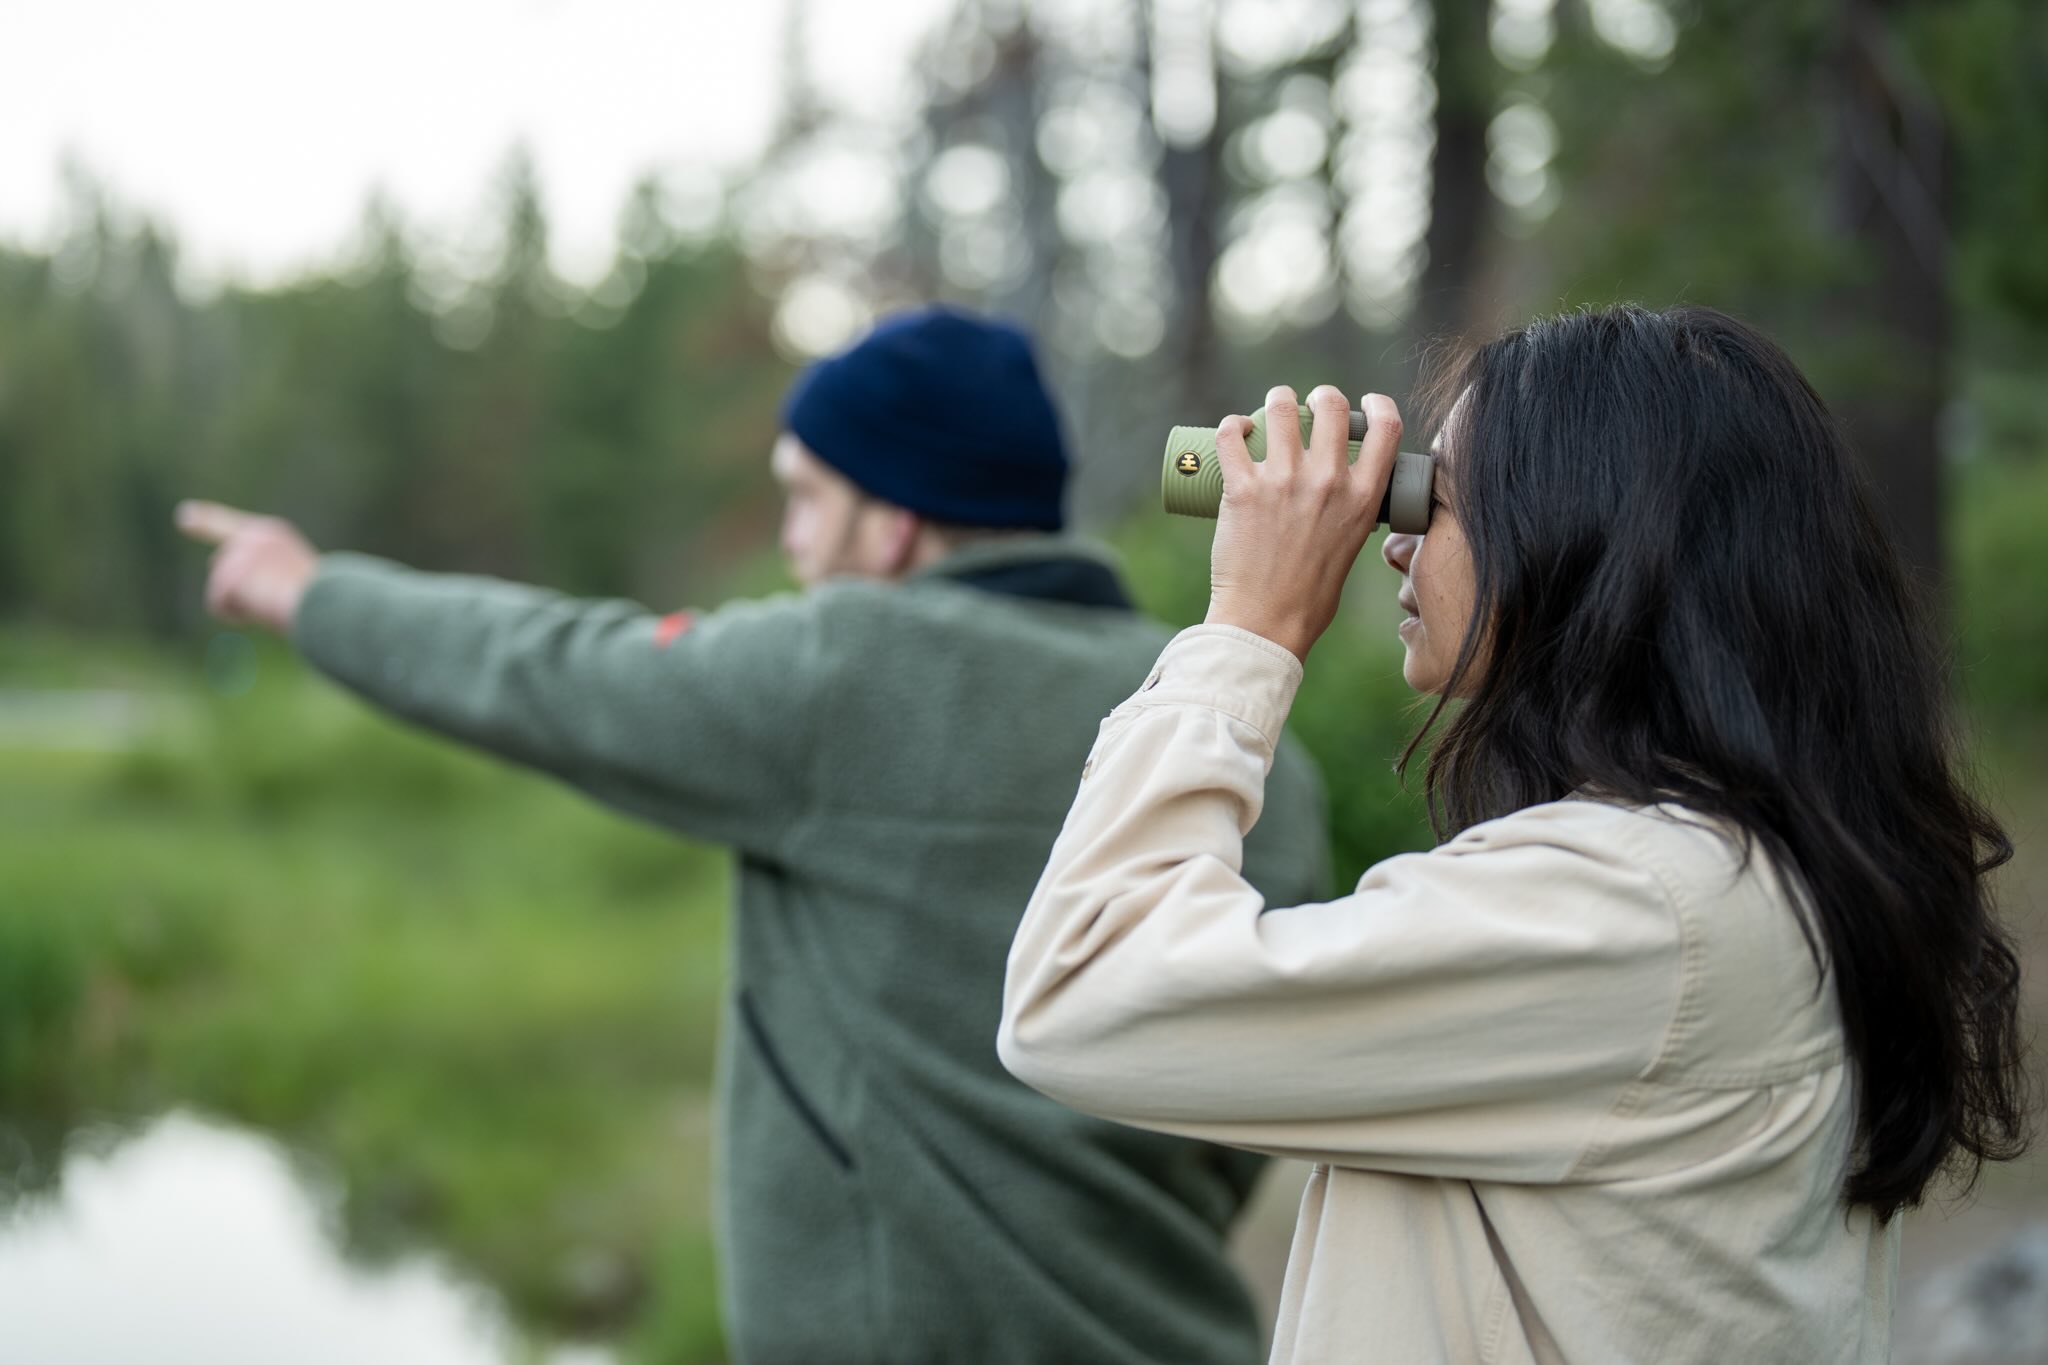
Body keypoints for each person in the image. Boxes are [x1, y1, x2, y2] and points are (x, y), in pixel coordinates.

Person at [177, 306, 1330, 1365]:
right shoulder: (1248, 741)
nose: (789, 539)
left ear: (891, 524)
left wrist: (306, 590)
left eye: (805, 496)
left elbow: (544, 670)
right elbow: (1238, 1113)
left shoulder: (851, 670)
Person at [999, 305, 2031, 1364]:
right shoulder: (1736, 870)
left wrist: (1244, 629)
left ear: (1591, 536)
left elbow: (1082, 995)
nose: (1391, 537)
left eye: (1438, 497)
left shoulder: (1637, 906)